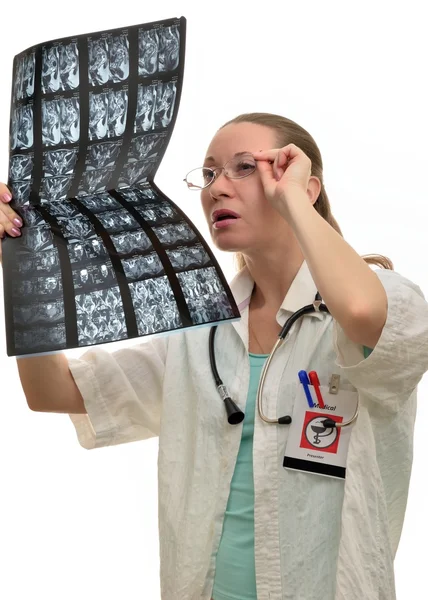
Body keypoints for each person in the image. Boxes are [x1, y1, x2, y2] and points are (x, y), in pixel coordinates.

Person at [1, 112, 428, 600]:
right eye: (208, 174)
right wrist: (23, 267)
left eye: (245, 167)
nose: (217, 188)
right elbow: (53, 391)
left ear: (305, 187)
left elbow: (358, 309)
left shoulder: (389, 299)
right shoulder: (201, 332)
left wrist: (292, 200)